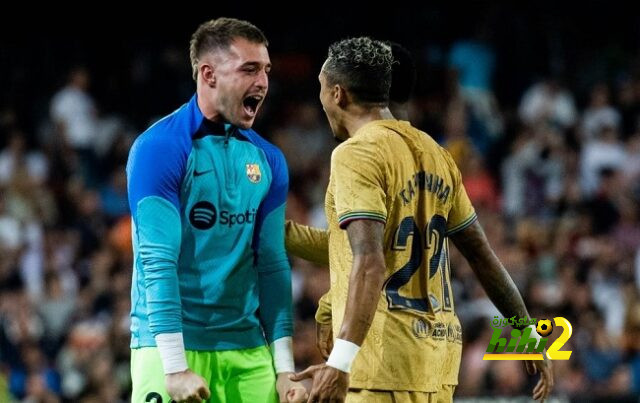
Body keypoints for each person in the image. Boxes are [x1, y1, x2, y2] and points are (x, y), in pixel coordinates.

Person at [287, 37, 553, 402]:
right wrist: (527, 333)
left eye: (320, 90)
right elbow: (481, 255)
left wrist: (340, 362)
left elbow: (369, 260)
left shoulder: (356, 154)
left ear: (337, 94)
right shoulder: (437, 155)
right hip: (436, 364)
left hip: (381, 365)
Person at [126, 17, 306, 403]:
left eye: (267, 70)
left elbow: (272, 265)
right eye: (249, 69)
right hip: (169, 345)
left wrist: (285, 370)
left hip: (247, 349)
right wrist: (174, 368)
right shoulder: (159, 148)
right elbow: (158, 261)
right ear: (208, 74)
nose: (263, 82)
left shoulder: (269, 160)